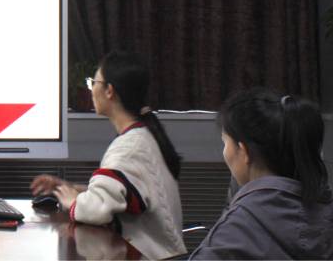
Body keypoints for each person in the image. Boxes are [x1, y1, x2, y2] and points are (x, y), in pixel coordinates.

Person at [31, 51, 186, 259]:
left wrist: (75, 202)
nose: (91, 89)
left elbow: (97, 210)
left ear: (109, 91)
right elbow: (119, 195)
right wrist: (67, 188)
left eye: (93, 83)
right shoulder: (142, 136)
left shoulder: (129, 147)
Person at [189, 88, 333, 259]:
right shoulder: (323, 208)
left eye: (225, 142)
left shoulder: (236, 230)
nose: (225, 152)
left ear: (243, 151)